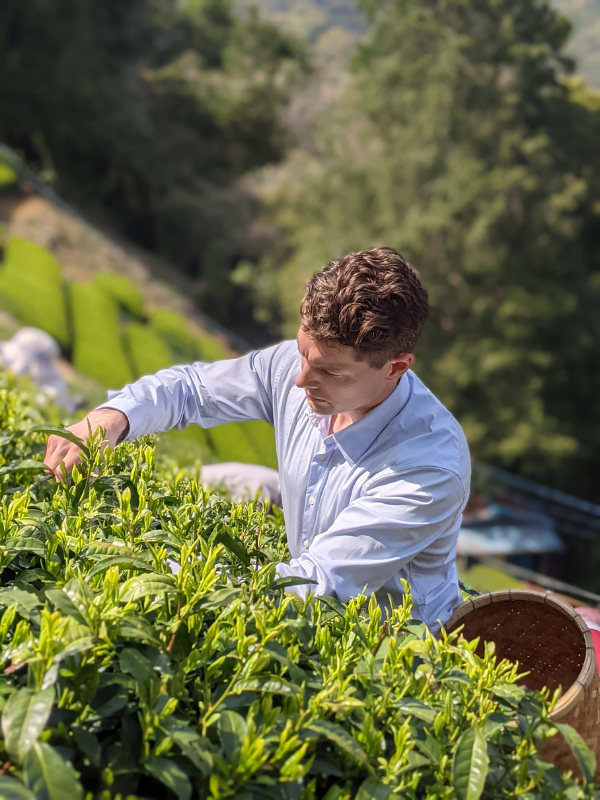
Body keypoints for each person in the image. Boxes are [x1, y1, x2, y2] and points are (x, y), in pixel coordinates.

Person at [43, 247, 471, 632]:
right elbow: (191, 390)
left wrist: (163, 572)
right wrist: (112, 416)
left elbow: (316, 584)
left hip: (394, 653)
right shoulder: (297, 367)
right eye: (303, 352)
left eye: (330, 372)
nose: (301, 378)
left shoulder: (427, 469)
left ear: (396, 367)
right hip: (311, 620)